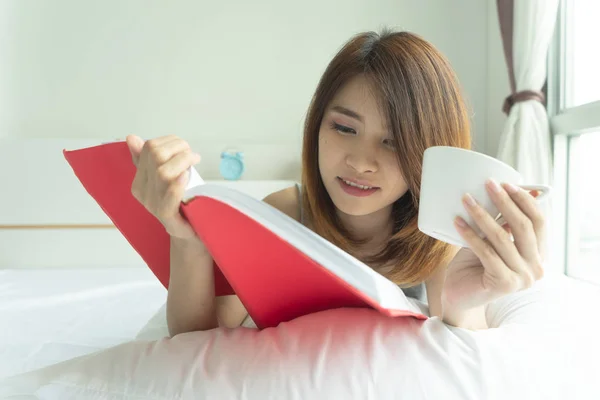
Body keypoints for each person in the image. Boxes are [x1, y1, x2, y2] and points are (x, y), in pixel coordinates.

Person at [125, 29, 546, 336]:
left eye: (395, 142)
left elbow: (460, 352)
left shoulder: (440, 236)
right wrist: (185, 240)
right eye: (345, 128)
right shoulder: (285, 213)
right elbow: (199, 339)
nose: (361, 162)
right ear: (317, 127)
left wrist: (461, 306)